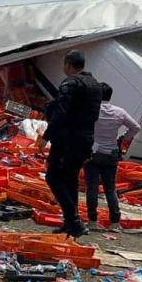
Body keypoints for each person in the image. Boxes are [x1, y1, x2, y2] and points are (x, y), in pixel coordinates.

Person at [41, 50, 103, 238]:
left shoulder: (70, 83)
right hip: (85, 139)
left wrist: (46, 136)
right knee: (70, 180)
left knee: (53, 177)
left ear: (68, 65)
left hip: (68, 139)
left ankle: (74, 222)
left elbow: (61, 112)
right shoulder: (95, 85)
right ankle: (70, 222)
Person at [85, 83, 140, 232]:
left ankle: (92, 221)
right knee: (110, 189)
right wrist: (123, 139)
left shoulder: (91, 110)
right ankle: (115, 222)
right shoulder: (120, 112)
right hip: (111, 153)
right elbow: (136, 127)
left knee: (92, 187)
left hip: (93, 153)